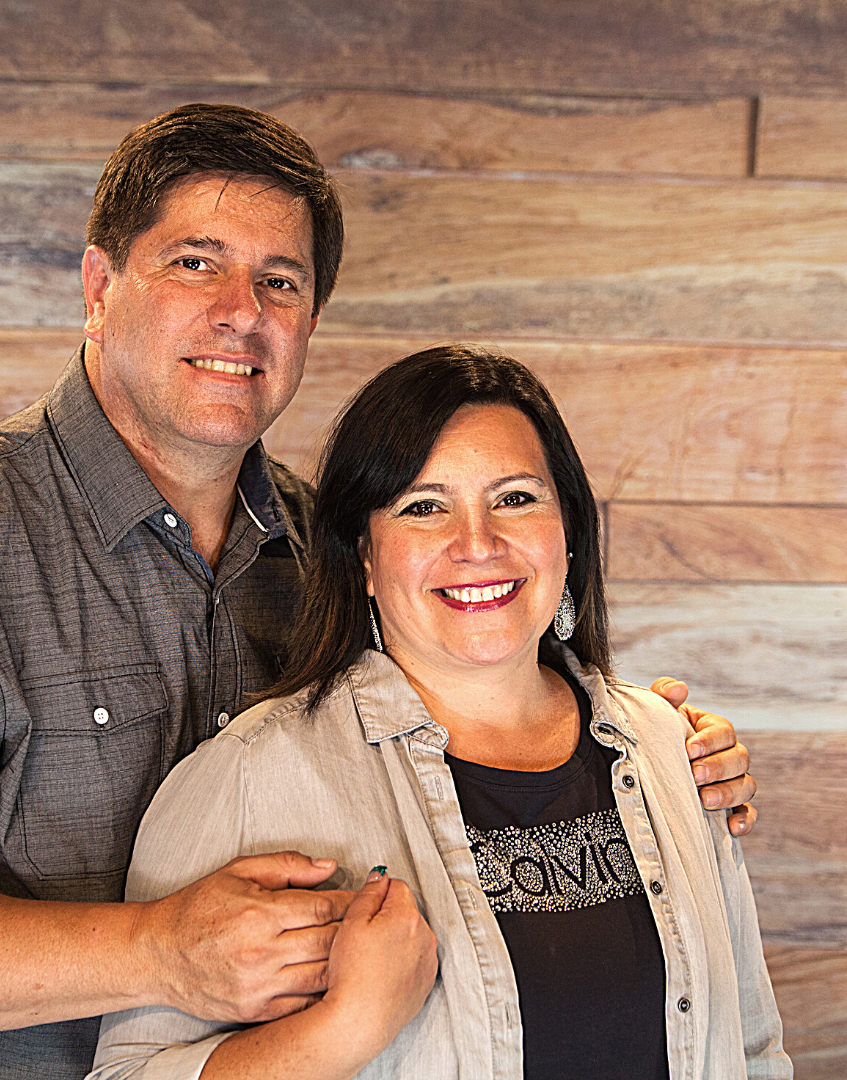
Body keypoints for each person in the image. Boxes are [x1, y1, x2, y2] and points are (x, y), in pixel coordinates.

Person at [0, 107, 754, 1079]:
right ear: (100, 288)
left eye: (280, 280)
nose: (242, 310)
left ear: (309, 321)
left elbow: (484, 660)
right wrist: (160, 951)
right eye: (196, 263)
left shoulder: (328, 551)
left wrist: (655, 751)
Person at [89, 346, 789, 1080]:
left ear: (569, 531)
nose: (478, 544)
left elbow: (753, 1049)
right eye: (424, 507)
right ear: (363, 557)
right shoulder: (248, 780)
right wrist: (343, 1028)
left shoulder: (676, 752)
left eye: (515, 499)